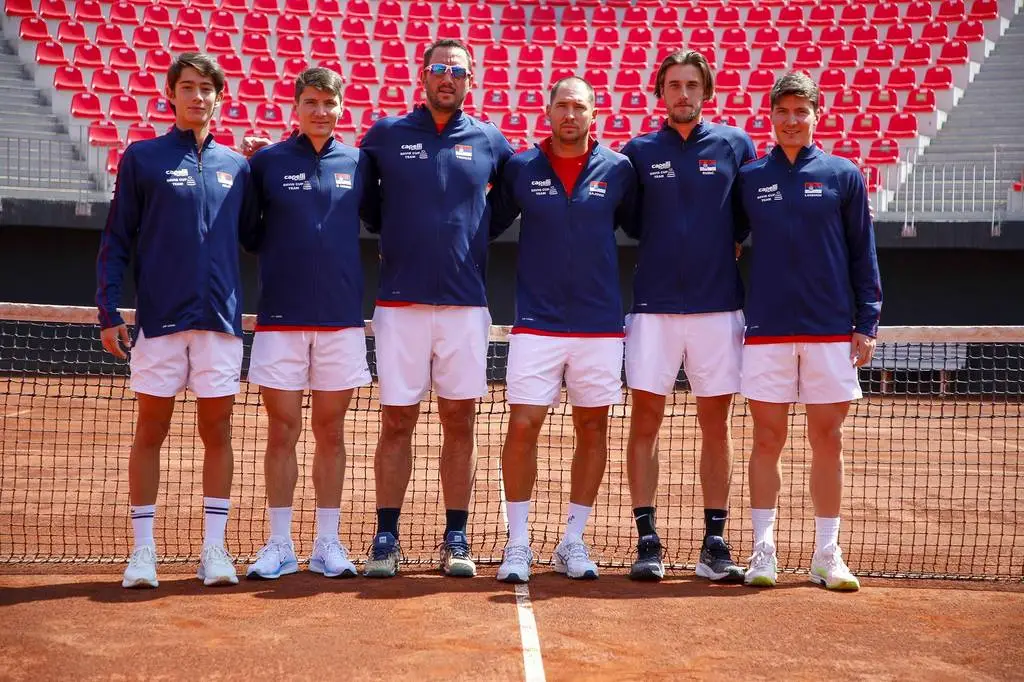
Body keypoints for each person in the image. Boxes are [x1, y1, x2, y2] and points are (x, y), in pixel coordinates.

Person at [96, 52, 255, 588]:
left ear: (219, 97)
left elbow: (256, 234)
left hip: (219, 322)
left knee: (218, 431)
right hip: (159, 321)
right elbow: (117, 238)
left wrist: (268, 164)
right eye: (188, 86)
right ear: (170, 93)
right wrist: (108, 309)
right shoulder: (142, 158)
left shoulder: (238, 166)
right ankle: (143, 552)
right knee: (151, 429)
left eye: (207, 88)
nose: (197, 96)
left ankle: (215, 550)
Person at [358, 39, 515, 578]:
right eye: (440, 69)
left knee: (460, 420)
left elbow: (509, 199)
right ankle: (386, 536)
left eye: (459, 71)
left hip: (464, 305)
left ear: (472, 80)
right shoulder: (386, 134)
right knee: (396, 419)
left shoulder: (490, 139)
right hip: (399, 304)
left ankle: (456, 536)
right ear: (422, 75)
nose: (449, 77)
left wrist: (475, 233)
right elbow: (366, 203)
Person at [737, 72, 882, 591]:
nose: (791, 120)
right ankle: (763, 550)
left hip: (829, 330)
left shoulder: (844, 175)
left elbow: (863, 252)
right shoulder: (749, 177)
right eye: (782, 111)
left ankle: (826, 553)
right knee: (766, 439)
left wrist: (866, 321)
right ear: (771, 117)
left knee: (828, 439)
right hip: (767, 331)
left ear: (817, 116)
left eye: (801, 111)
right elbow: (728, 239)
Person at [489, 77, 638, 583]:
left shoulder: (619, 169)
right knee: (523, 425)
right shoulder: (520, 168)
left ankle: (573, 539)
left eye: (579, 106)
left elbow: (647, 227)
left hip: (600, 326)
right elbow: (481, 224)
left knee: (593, 429)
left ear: (594, 113)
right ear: (548, 110)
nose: (570, 114)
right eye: (562, 106)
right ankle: (517, 542)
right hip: (537, 323)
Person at [620, 50, 756, 581]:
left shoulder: (735, 145)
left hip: (718, 309)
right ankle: (647, 539)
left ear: (707, 91)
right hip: (652, 310)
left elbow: (746, 216)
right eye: (674, 84)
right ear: (661, 92)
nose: (683, 94)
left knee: (716, 425)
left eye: (692, 85)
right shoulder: (638, 152)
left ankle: (714, 543)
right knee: (645, 422)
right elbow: (633, 222)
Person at [240, 67, 379, 580]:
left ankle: (327, 542)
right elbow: (249, 235)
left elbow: (381, 218)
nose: (321, 111)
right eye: (312, 102)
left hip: (341, 321)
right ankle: (279, 543)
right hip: (280, 320)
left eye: (329, 102)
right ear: (296, 106)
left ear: (342, 107)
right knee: (282, 430)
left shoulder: (359, 163)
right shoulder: (267, 163)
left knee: (330, 431)